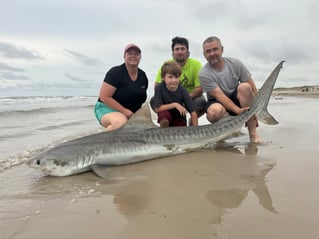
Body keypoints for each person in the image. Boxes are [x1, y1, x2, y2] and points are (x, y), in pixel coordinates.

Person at [199, 36, 261, 143]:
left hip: (237, 99)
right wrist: (238, 111)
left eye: (215, 49)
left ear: (222, 49)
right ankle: (222, 134)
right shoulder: (204, 74)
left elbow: (253, 89)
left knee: (245, 87)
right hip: (218, 102)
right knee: (214, 112)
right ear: (204, 54)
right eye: (208, 51)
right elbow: (220, 96)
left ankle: (253, 133)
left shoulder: (235, 63)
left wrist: (257, 111)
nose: (212, 53)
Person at [94, 43, 148, 131]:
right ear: (124, 56)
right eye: (130, 53)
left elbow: (140, 99)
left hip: (129, 112)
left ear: (140, 57)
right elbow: (104, 97)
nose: (133, 56)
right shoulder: (115, 72)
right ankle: (99, 143)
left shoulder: (143, 76)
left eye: (136, 54)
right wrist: (125, 111)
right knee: (121, 123)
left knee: (144, 128)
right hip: (107, 108)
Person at [153, 36, 206, 120]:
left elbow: (199, 89)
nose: (180, 52)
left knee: (202, 102)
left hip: (189, 97)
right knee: (154, 100)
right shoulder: (166, 65)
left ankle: (192, 122)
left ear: (188, 52)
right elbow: (157, 85)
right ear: (172, 53)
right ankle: (167, 122)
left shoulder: (196, 64)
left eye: (182, 49)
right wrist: (173, 102)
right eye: (177, 49)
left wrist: (184, 99)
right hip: (169, 99)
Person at [151, 61, 198, 127]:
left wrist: (195, 129)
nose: (174, 80)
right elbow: (157, 109)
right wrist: (175, 105)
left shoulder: (183, 91)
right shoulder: (159, 87)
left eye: (176, 77)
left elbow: (193, 112)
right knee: (164, 116)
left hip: (179, 117)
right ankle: (164, 133)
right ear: (163, 78)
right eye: (170, 77)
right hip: (166, 116)